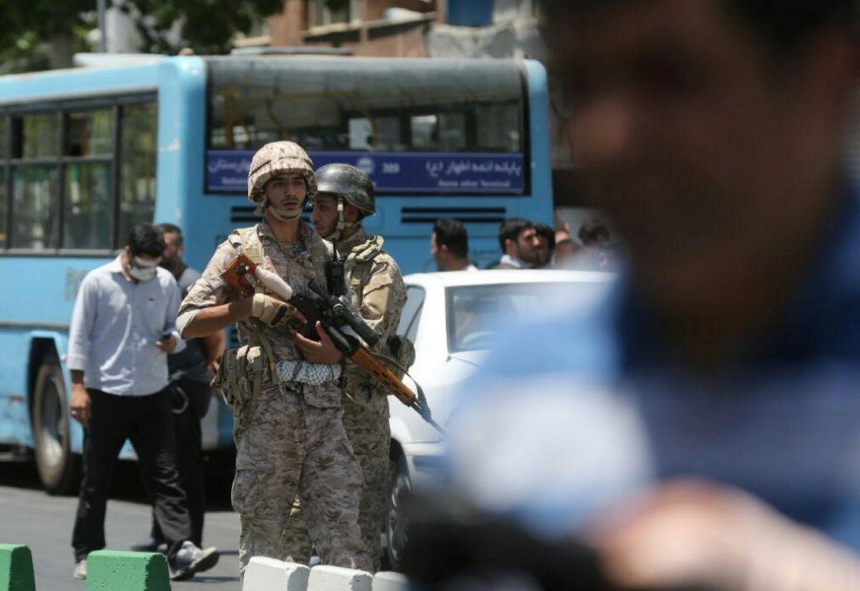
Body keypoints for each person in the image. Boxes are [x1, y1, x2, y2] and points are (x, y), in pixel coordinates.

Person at [418, 0, 860, 589]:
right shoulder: (514, 388)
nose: (607, 137)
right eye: (581, 85)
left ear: (827, 83)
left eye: (671, 75)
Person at [176, 141, 370, 577]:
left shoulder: (326, 254)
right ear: (261, 192)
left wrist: (334, 350)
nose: (290, 193)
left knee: (346, 542)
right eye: (278, 184)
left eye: (298, 183)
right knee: (265, 544)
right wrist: (246, 308)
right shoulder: (239, 251)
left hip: (325, 417)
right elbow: (187, 322)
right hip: (269, 416)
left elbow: (346, 327)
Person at [67, 222, 217, 581]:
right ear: (127, 253)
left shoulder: (164, 284)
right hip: (107, 395)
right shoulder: (97, 282)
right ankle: (87, 551)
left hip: (153, 395)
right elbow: (78, 338)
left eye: (155, 263)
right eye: (143, 263)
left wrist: (173, 344)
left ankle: (180, 547)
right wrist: (77, 388)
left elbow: (179, 332)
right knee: (97, 478)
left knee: (166, 475)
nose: (148, 271)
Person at [278, 163, 408, 569]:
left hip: (358, 417)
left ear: (348, 212)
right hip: (309, 412)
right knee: (292, 528)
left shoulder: (379, 268)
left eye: (321, 207)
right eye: (312, 206)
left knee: (355, 535)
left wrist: (332, 346)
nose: (311, 215)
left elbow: (370, 332)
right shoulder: (311, 257)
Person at [129, 223, 225, 564]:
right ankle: (163, 535)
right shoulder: (157, 281)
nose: (161, 252)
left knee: (185, 465)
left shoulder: (190, 283)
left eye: (166, 246)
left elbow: (215, 332)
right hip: (160, 383)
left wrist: (215, 365)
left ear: (179, 249)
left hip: (186, 384)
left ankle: (190, 540)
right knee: (162, 463)